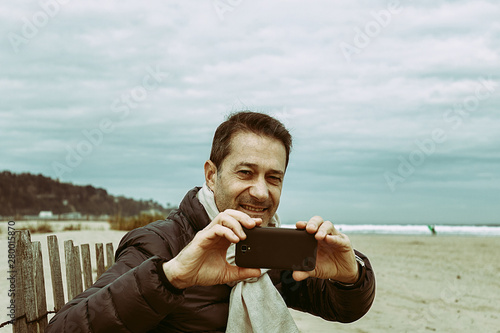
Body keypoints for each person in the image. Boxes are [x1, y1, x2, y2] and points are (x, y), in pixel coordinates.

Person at [47, 111, 375, 332]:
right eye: (245, 173)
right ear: (211, 176)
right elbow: (64, 326)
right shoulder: (160, 242)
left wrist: (351, 276)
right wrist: (171, 277)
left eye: (274, 178)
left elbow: (343, 311)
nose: (261, 192)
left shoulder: (269, 245)